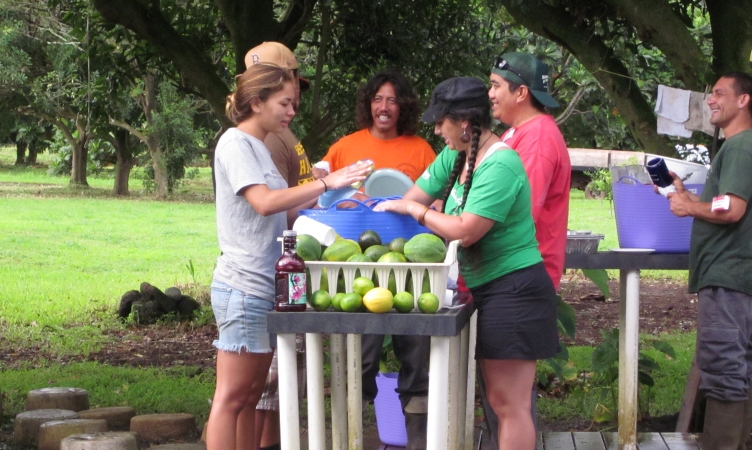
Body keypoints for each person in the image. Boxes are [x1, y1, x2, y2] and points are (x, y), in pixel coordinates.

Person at [374, 77, 559, 449]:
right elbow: (412, 197)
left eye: (440, 121)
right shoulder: (456, 155)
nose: (436, 130)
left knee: (510, 404)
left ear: (463, 122)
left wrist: (416, 211)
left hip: (515, 289)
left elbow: (465, 230)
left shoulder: (501, 162)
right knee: (497, 399)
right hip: (485, 288)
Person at [206, 63, 370, 450]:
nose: (292, 111)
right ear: (256, 102)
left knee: (251, 398)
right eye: (284, 103)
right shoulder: (235, 143)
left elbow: (283, 212)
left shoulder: (261, 147)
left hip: (265, 287)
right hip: (243, 286)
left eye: (293, 103)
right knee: (232, 398)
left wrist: (332, 201)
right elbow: (264, 203)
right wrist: (325, 182)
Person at [320, 69, 437, 449]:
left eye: (392, 100)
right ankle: (353, 436)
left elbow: (439, 199)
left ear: (404, 107)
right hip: (360, 267)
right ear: (368, 104)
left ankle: (417, 440)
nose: (384, 107)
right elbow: (320, 190)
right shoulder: (346, 146)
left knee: (416, 355)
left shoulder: (421, 149)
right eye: (377, 99)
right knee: (362, 358)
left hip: (411, 267)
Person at [664, 72, 752, 450]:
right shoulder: (744, 147)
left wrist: (689, 208)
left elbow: (732, 209)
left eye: (720, 93)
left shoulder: (740, 148)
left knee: (723, 367)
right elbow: (727, 200)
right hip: (734, 274)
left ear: (743, 100)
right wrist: (686, 195)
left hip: (726, 274)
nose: (710, 99)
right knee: (738, 366)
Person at [479, 51, 571, 449]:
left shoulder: (538, 138)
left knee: (509, 401)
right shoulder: (516, 134)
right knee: (500, 399)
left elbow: (517, 213)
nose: (489, 94)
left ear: (521, 92)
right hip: (500, 276)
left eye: (496, 86)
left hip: (518, 279)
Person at [242, 41, 314, 450]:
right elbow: (270, 204)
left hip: (287, 265)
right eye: (286, 93)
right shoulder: (261, 139)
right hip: (268, 271)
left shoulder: (279, 132)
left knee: (280, 381)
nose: (293, 102)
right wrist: (324, 190)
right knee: (260, 389)